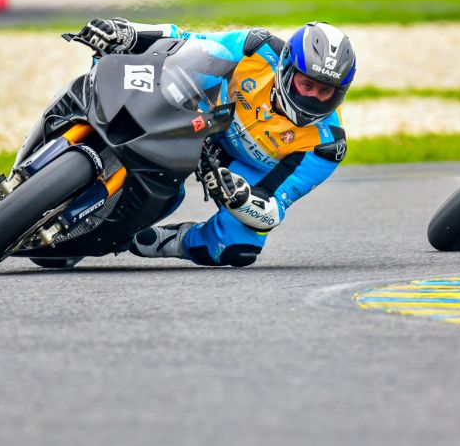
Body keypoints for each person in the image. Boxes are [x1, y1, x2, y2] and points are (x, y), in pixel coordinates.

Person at [74, 17, 354, 267]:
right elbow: (187, 41)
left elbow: (273, 207)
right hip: (196, 116)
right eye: (306, 85)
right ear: (286, 69)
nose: (312, 97)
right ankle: (79, 117)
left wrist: (241, 197)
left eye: (325, 91)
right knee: (181, 59)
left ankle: (169, 241)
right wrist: (128, 32)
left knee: (240, 247)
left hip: (235, 172)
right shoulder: (257, 48)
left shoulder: (327, 146)